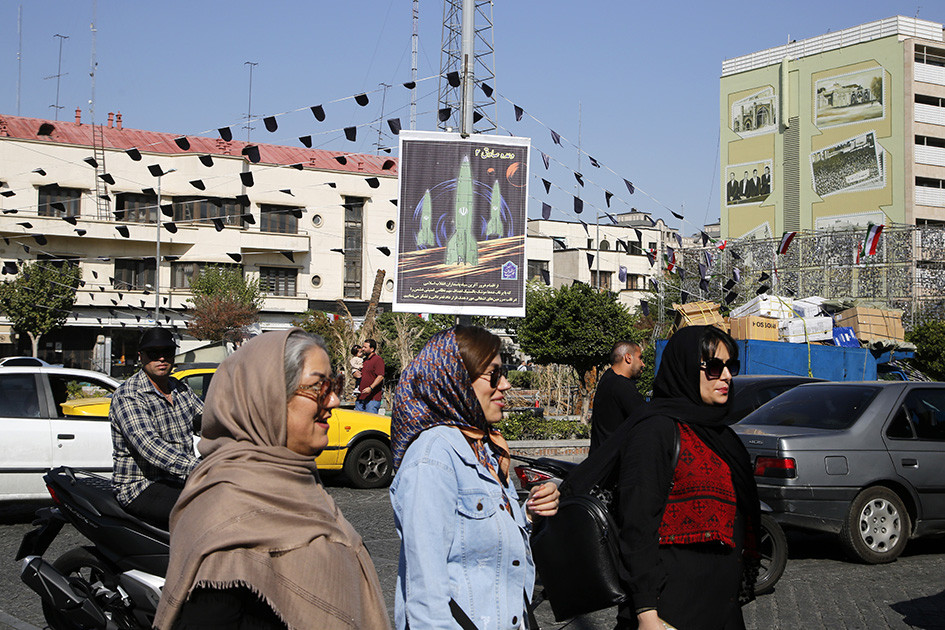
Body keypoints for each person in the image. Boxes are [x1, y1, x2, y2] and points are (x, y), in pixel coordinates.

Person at [154, 329, 390, 630]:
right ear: (268, 397)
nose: (332, 401)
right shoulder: (229, 512)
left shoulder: (303, 486)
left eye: (335, 385)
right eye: (319, 387)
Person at [390, 326, 559, 630]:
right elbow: (426, 596)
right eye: (494, 375)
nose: (505, 384)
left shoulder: (484, 447)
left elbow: (479, 543)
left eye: (504, 372)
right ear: (455, 380)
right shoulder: (433, 457)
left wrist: (528, 515)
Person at [613, 325, 760, 630]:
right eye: (715, 367)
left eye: (731, 366)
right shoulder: (656, 431)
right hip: (671, 609)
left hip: (721, 607)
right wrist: (646, 612)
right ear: (686, 369)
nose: (727, 376)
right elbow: (637, 524)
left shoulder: (722, 435)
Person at [110, 327, 202, 530]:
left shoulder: (180, 389)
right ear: (141, 357)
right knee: (202, 512)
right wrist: (200, 468)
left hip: (178, 480)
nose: (161, 358)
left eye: (167, 352)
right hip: (141, 485)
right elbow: (150, 446)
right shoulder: (130, 395)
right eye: (153, 353)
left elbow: (210, 421)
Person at [589, 340, 646, 453]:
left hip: (601, 459)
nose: (643, 364)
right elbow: (646, 419)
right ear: (628, 358)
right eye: (640, 358)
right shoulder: (621, 386)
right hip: (613, 464)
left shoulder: (607, 378)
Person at [356, 338, 385, 414]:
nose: (362, 349)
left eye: (365, 347)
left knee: (369, 424)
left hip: (372, 400)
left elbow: (380, 376)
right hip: (360, 398)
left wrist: (371, 388)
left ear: (372, 349)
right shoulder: (363, 360)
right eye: (363, 347)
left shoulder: (378, 360)